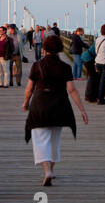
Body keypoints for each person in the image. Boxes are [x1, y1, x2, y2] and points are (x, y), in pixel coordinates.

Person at [22, 35, 88, 186]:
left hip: (40, 105)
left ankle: (47, 171)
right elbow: (72, 90)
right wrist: (82, 110)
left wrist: (26, 102)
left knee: (40, 140)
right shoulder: (65, 67)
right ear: (60, 49)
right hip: (59, 105)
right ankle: (51, 169)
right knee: (54, 141)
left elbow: (29, 89)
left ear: (43, 48)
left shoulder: (37, 66)